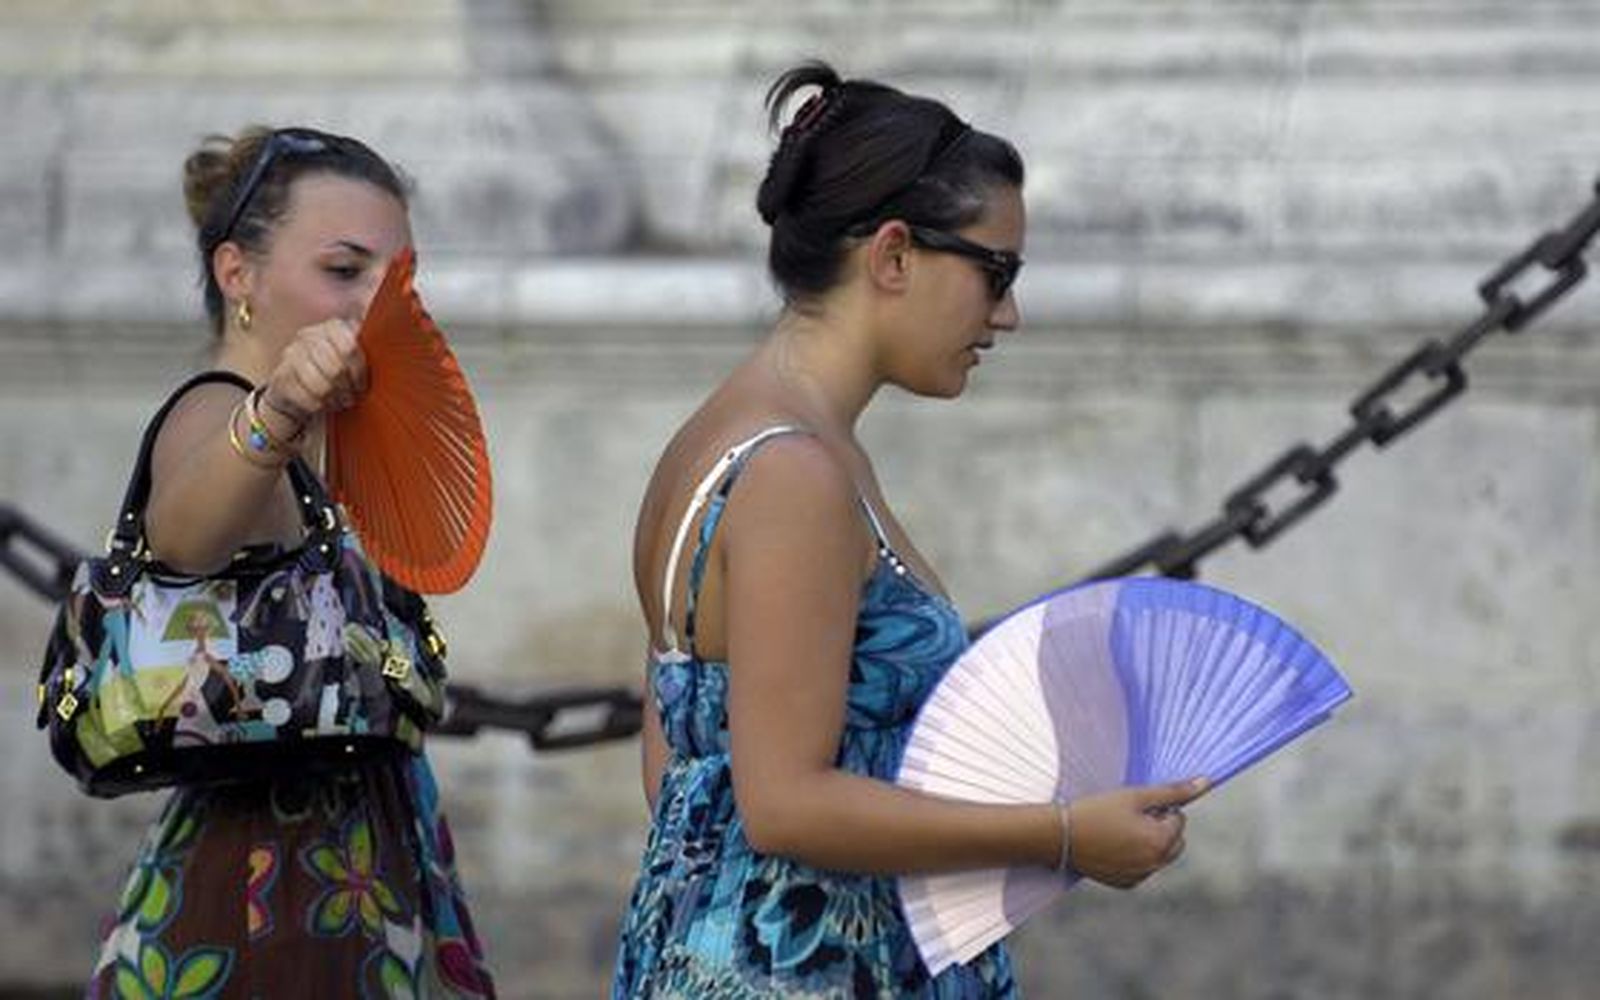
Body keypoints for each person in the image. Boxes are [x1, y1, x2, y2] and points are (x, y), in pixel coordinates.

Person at [611, 62, 1209, 997]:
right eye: (995, 272)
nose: (1006, 314)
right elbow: (782, 804)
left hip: (725, 946)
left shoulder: (725, 437)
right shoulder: (794, 471)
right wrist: (1061, 836)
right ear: (893, 256)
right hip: (807, 969)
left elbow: (682, 769)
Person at [86, 126, 495, 997]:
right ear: (238, 275)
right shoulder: (215, 412)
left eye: (397, 278)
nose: (372, 302)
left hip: (371, 860)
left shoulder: (335, 433)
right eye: (344, 271)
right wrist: (275, 410)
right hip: (264, 893)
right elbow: (183, 542)